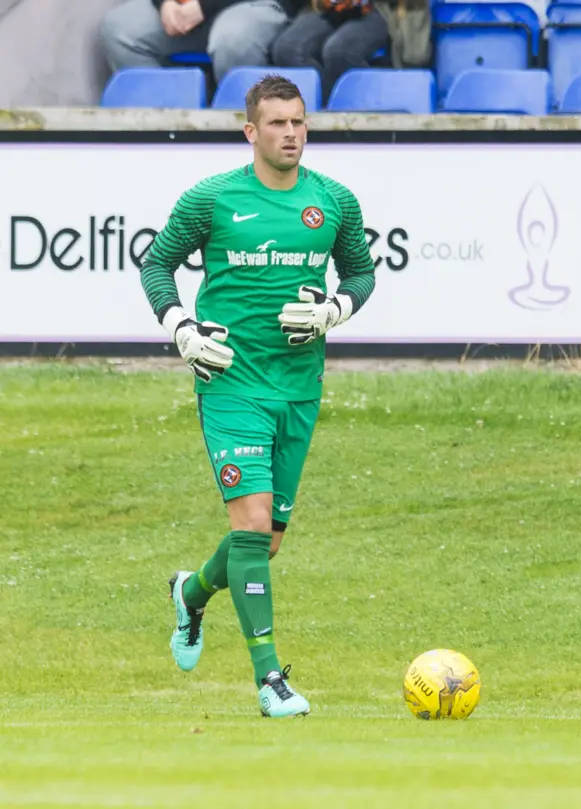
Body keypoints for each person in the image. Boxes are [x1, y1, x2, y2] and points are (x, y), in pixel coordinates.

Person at [139, 74, 375, 717]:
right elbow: (155, 264)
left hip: (299, 386)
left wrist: (334, 310)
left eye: (298, 121)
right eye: (277, 123)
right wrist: (180, 328)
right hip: (230, 382)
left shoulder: (334, 202)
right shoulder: (212, 199)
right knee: (249, 524)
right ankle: (270, 680)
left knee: (265, 541)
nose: (291, 133)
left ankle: (191, 594)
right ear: (251, 131)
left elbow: (361, 271)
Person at [100, 0, 293, 84]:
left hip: (255, 5)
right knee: (120, 29)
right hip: (189, 8)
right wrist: (165, 3)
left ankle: (245, 138)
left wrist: (204, 6)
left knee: (232, 41)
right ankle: (171, 122)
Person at [271, 0, 388, 104]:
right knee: (287, 48)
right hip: (326, 11)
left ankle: (363, 107)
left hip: (376, 10)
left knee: (338, 51)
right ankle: (321, 107)